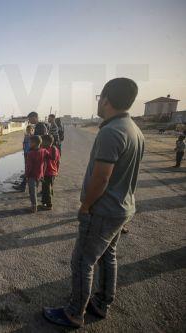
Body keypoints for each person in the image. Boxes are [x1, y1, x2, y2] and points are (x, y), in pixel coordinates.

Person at [43, 78, 144, 328]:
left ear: (106, 99)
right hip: (121, 208)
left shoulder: (111, 131)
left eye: (100, 97)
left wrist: (86, 206)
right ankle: (102, 302)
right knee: (108, 255)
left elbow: (102, 177)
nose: (98, 101)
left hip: (102, 210)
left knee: (82, 260)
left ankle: (74, 313)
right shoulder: (133, 128)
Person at [24, 135, 49, 213]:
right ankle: (34, 205)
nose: (29, 144)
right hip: (40, 174)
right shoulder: (43, 151)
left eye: (30, 142)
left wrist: (26, 175)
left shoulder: (30, 153)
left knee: (32, 191)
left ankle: (34, 207)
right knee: (35, 189)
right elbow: (50, 156)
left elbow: (29, 167)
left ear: (34, 143)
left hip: (32, 175)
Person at [40, 135, 60, 210]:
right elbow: (58, 161)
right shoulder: (47, 148)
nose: (41, 143)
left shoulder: (52, 149)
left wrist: (56, 171)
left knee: (47, 189)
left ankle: (49, 205)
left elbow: (55, 159)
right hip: (48, 172)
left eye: (42, 141)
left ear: (48, 142)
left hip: (49, 172)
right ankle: (44, 202)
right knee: (45, 188)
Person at [15, 125, 34, 192]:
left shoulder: (33, 137)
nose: (29, 131)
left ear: (32, 130)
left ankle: (24, 186)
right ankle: (24, 185)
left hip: (30, 154)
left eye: (30, 130)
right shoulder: (26, 136)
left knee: (28, 169)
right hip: (26, 153)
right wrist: (23, 148)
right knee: (26, 167)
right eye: (28, 129)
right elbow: (24, 143)